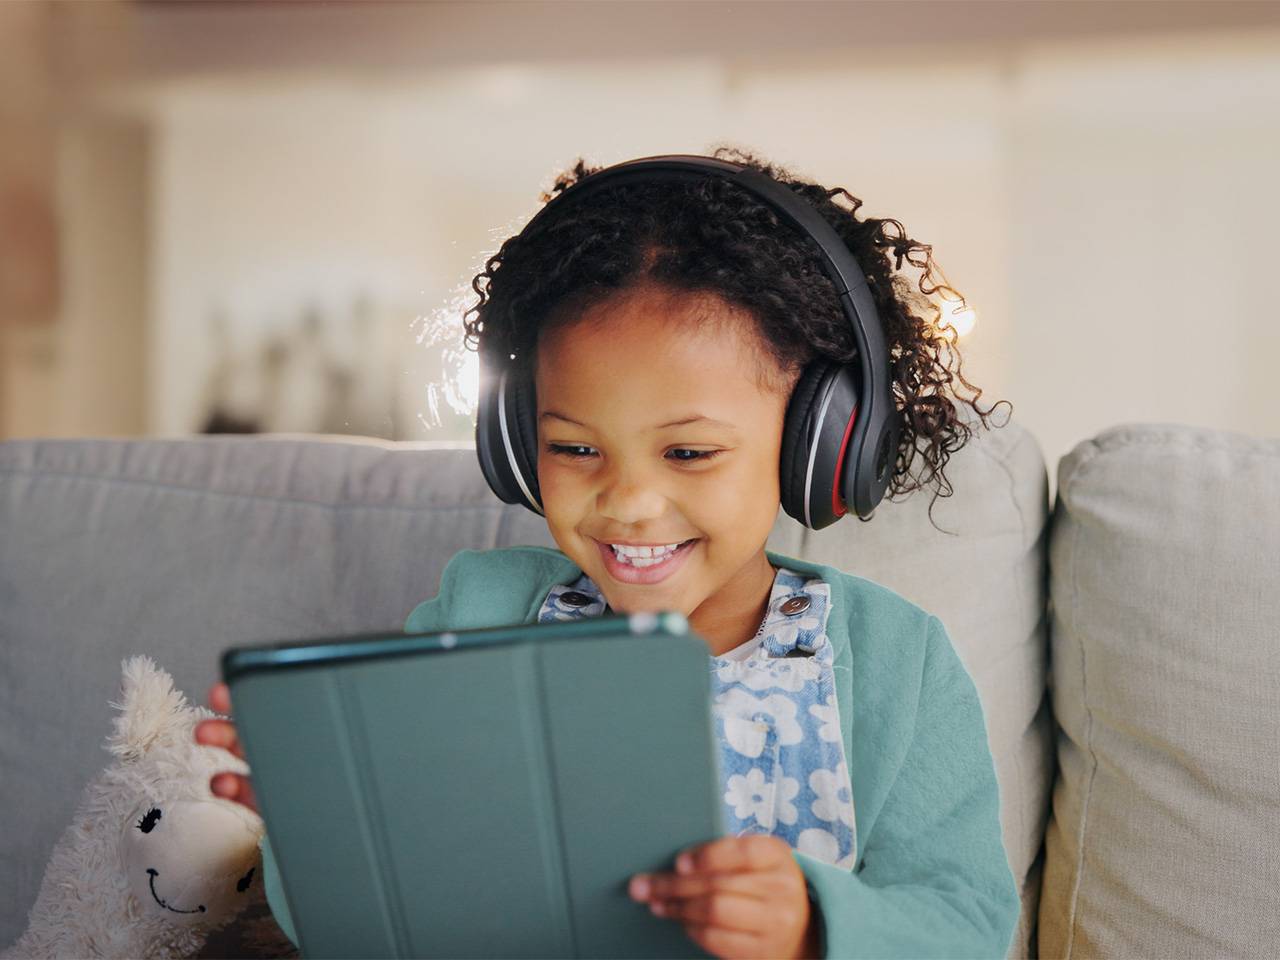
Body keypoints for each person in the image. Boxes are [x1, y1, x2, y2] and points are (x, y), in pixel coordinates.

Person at [196, 146, 1019, 959]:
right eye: (576, 450)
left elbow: (968, 926)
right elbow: (362, 928)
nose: (627, 505)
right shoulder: (475, 614)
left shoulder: (896, 662)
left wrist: (811, 926)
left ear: (819, 443)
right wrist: (329, 832)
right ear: (519, 444)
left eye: (689, 453)